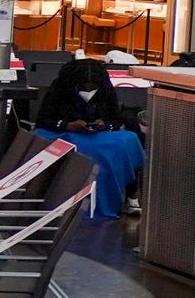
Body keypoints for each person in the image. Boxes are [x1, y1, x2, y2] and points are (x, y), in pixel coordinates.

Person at [32, 58, 148, 221]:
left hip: (98, 134)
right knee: (94, 151)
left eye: (92, 88)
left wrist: (104, 124)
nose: (89, 90)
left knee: (128, 140)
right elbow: (43, 121)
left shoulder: (105, 88)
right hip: (66, 133)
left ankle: (131, 195)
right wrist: (67, 125)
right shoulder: (59, 89)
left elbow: (115, 119)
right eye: (84, 87)